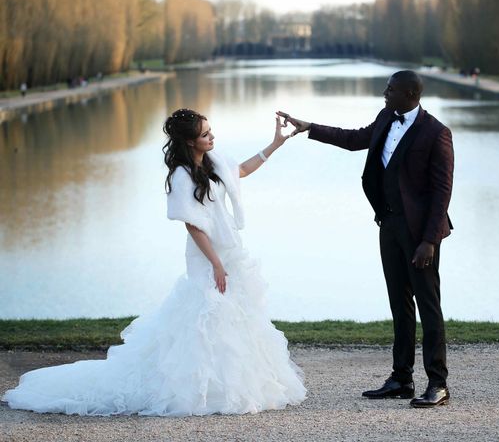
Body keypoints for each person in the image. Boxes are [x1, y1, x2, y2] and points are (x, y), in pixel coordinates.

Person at [2, 108, 306, 416]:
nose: (212, 136)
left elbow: (240, 170)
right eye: (205, 134)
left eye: (210, 131)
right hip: (206, 255)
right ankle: (198, 388)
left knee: (234, 315)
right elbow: (193, 225)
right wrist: (214, 263)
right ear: (190, 142)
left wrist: (275, 143)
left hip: (229, 250)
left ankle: (231, 384)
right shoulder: (181, 175)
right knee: (208, 312)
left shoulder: (213, 162)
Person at [278, 70, 454, 408]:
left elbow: (441, 193)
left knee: (428, 307)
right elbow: (356, 139)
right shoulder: (387, 117)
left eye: (390, 89)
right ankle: (401, 378)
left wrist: (429, 241)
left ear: (410, 94)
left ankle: (438, 383)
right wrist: (309, 127)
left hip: (421, 235)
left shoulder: (436, 133)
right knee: (399, 305)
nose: (383, 93)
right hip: (389, 225)